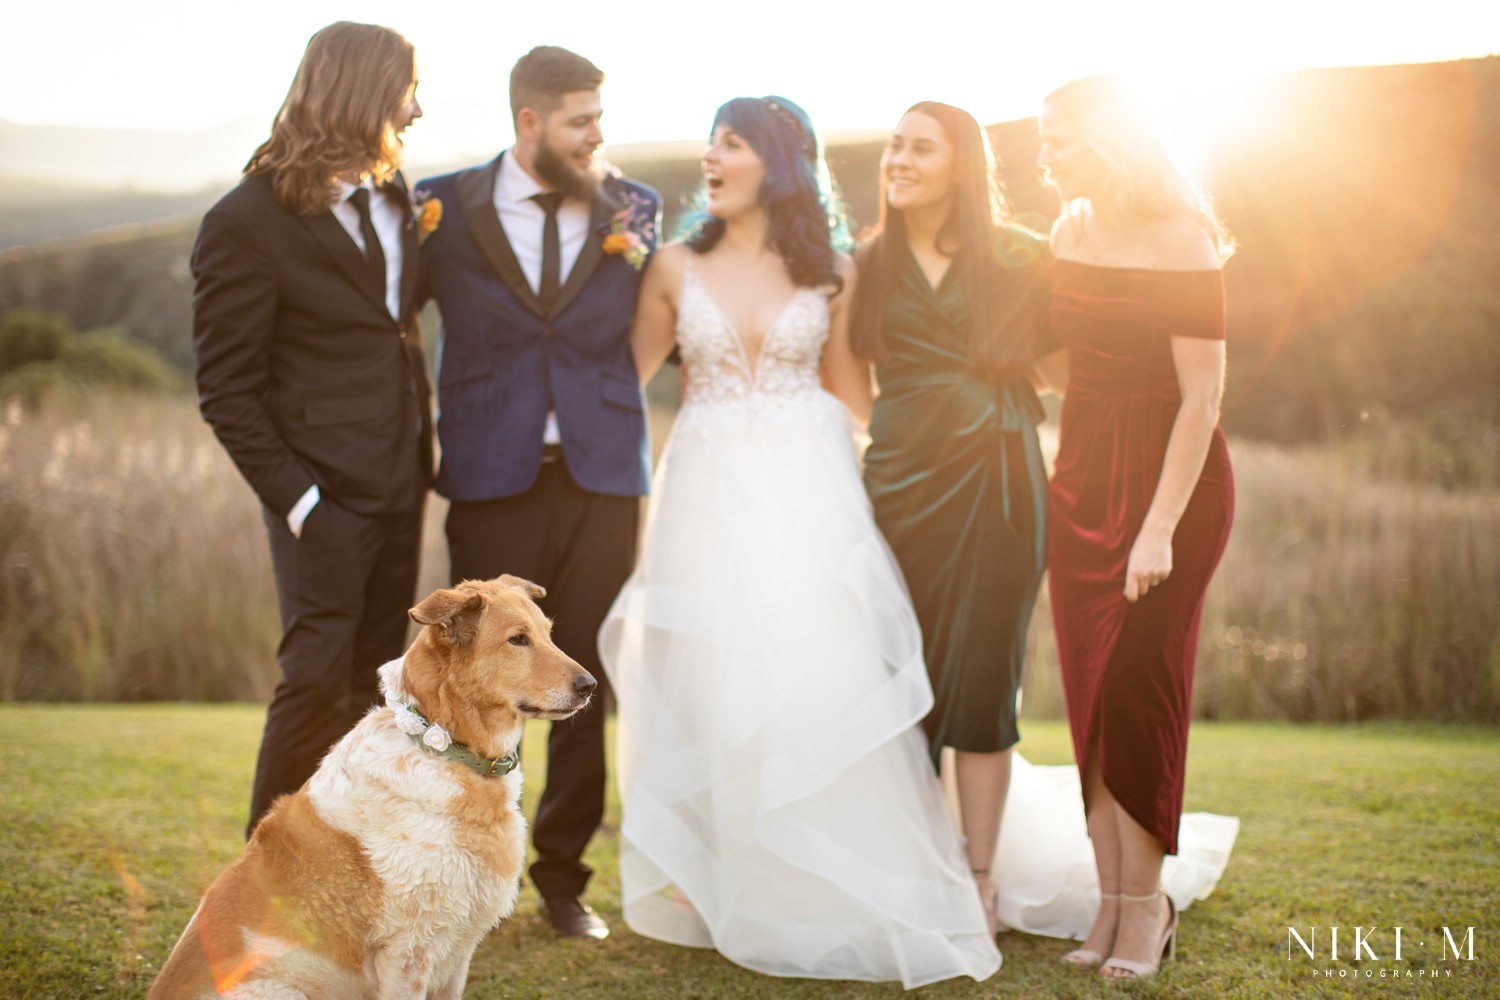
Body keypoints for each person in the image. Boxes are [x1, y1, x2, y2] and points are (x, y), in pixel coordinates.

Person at [599, 96, 1000, 988]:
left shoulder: (832, 276)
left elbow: (855, 395)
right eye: (710, 140)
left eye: (731, 142)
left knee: (814, 671)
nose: (710, 156)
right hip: (704, 493)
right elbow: (620, 392)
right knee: (712, 676)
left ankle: (820, 863)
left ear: (777, 163)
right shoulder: (669, 267)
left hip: (809, 493)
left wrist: (941, 462)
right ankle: (724, 870)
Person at [411, 46, 659, 941]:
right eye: (580, 121)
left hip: (602, 474)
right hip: (489, 472)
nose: (598, 135)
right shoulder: (439, 206)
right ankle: (458, 865)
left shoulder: (635, 207)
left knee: (584, 674)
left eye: (601, 117)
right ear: (529, 123)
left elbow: (660, 313)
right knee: (474, 679)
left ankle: (563, 881)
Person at [191, 21, 432, 837]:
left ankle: (347, 881)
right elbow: (226, 390)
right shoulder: (244, 222)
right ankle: (261, 897)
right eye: (407, 88)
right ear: (364, 92)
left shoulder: (398, 196)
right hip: (322, 501)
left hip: (403, 486)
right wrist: (303, 506)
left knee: (376, 696)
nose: (418, 107)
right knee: (313, 687)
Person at [1038, 75, 1238, 980]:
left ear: (1110, 139)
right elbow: (1065, 363)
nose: (1045, 153)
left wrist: (1159, 527)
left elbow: (1203, 395)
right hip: (1079, 482)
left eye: (1061, 137)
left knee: (1141, 692)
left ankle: (1146, 911)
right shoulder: (1067, 231)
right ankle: (1110, 906)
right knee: (1091, 695)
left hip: (1171, 485)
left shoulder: (1181, 236)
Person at [850, 102, 1054, 937]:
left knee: (982, 678)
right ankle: (906, 867)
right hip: (898, 489)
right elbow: (852, 382)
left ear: (961, 165)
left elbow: (1072, 365)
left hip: (998, 484)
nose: (898, 159)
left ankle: (977, 879)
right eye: (894, 144)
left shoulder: (1022, 256)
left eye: (919, 148)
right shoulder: (869, 261)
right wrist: (907, 437)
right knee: (895, 679)